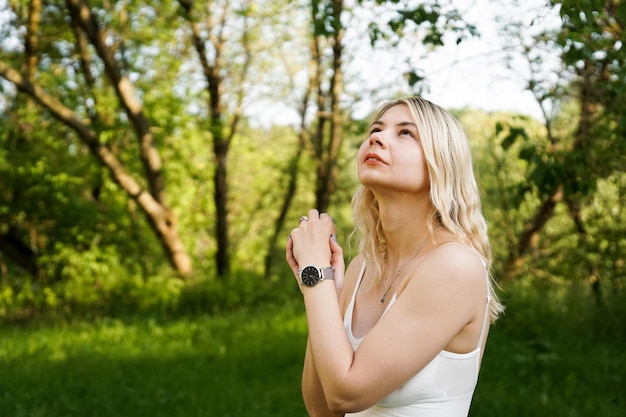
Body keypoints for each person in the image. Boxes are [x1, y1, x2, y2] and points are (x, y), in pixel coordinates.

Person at [286, 96, 504, 417]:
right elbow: (322, 409)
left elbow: (345, 395)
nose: (377, 137)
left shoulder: (454, 265)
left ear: (440, 164)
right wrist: (322, 290)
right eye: (376, 129)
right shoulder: (362, 266)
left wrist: (316, 274)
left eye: (405, 133)